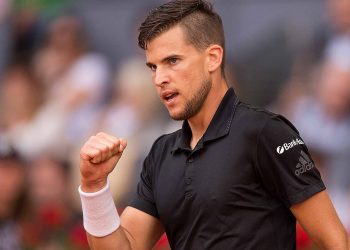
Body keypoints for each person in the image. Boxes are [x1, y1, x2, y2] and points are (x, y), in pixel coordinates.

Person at [78, 1, 349, 249]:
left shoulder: (266, 133)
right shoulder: (160, 153)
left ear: (213, 58)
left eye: (172, 61)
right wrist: (94, 187)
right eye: (153, 67)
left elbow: (335, 241)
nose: (160, 78)